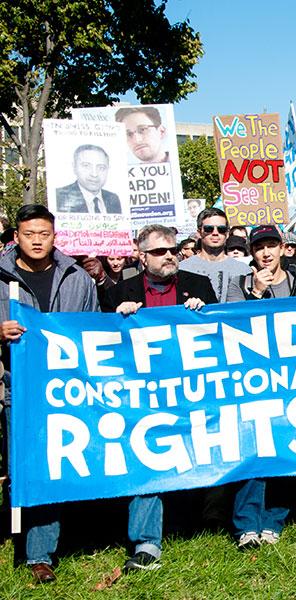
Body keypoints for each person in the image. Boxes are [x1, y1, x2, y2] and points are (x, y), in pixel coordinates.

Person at [100, 224, 215, 571]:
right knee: (147, 460)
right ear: (141, 256)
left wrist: (204, 313)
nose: (169, 256)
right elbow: (95, 347)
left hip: (191, 391)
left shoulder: (199, 286)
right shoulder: (119, 292)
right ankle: (147, 542)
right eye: (159, 251)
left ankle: (199, 518)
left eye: (173, 250)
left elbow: (220, 338)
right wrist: (116, 323)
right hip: (141, 396)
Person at [0, 204, 99, 584]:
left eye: (44, 234)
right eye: (29, 234)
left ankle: (40, 553)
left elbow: (92, 328)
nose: (37, 240)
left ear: (54, 237)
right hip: (18, 389)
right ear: (17, 238)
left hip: (67, 389)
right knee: (23, 468)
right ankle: (24, 539)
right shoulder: (1, 276)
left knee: (55, 465)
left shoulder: (77, 278)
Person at [224, 225, 296, 548]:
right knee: (252, 450)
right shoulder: (239, 283)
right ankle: (245, 524)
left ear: (282, 248)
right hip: (251, 380)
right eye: (259, 247)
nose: (266, 253)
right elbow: (228, 323)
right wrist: (253, 293)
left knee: (284, 448)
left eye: (271, 245)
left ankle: (273, 519)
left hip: (290, 379)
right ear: (252, 252)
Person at [179, 208, 252, 302]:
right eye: (209, 229)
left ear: (227, 233)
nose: (215, 233)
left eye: (221, 229)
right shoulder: (182, 269)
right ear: (199, 232)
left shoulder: (244, 270)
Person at [55, 144, 122, 214]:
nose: (94, 174)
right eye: (86, 166)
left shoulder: (113, 199)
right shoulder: (59, 197)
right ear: (74, 167)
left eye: (101, 167)